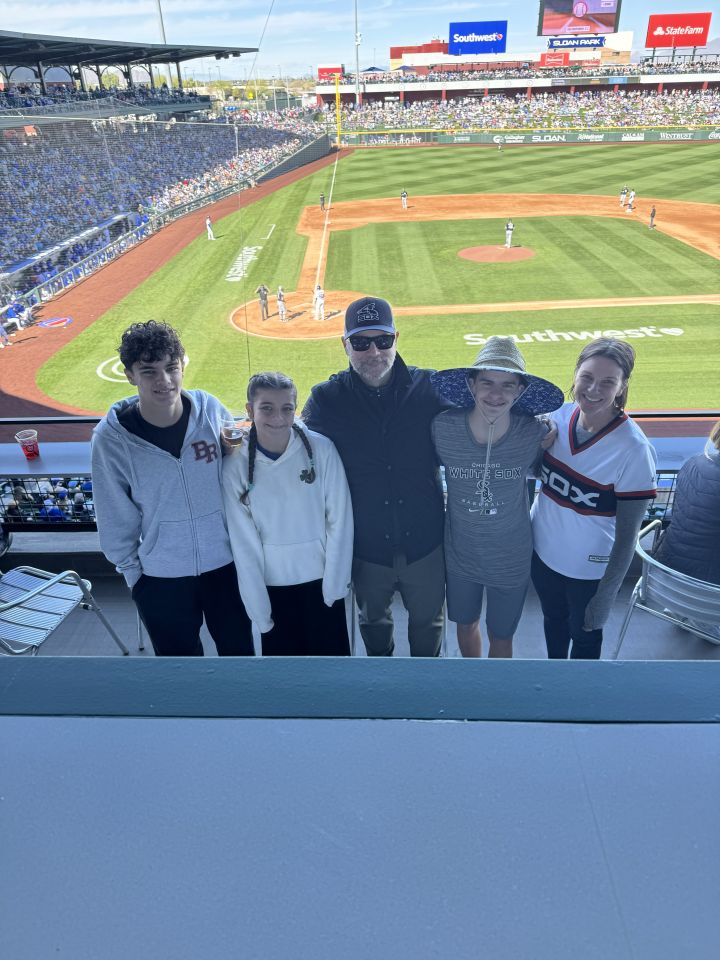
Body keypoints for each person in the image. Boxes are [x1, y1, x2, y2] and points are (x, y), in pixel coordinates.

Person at [91, 320, 254, 657]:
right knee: (181, 672)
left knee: (240, 660)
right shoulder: (111, 440)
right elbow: (113, 519)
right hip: (160, 578)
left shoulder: (210, 410)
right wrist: (138, 580)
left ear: (182, 366)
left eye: (171, 367)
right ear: (130, 376)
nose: (164, 380)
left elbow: (238, 471)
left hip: (226, 566)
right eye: (149, 371)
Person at [303, 296, 448, 657]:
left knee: (429, 628)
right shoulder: (326, 398)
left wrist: (535, 425)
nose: (373, 351)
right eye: (361, 342)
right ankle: (383, 694)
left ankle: (424, 697)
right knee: (373, 626)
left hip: (425, 543)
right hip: (366, 547)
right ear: (345, 345)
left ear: (396, 338)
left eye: (382, 340)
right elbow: (292, 446)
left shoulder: (430, 387)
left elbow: (485, 416)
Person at [431, 338, 563, 658]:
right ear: (471, 384)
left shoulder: (534, 432)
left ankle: (493, 696)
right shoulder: (441, 428)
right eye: (487, 382)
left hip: (511, 559)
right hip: (461, 555)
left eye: (507, 385)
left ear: (519, 391)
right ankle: (474, 683)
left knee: (502, 636)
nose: (495, 394)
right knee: (465, 625)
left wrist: (548, 427)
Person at [531, 339, 657, 660]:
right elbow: (533, 472)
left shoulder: (634, 450)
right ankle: (555, 683)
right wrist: (537, 446)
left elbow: (627, 539)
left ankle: (578, 704)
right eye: (586, 377)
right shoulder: (556, 417)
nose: (593, 389)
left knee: (585, 637)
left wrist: (604, 599)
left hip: (588, 574)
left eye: (607, 382)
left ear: (622, 386)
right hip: (542, 555)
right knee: (553, 623)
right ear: (575, 374)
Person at [222, 372, 353, 655]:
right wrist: (259, 610)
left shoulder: (322, 450)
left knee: (333, 681)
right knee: (286, 686)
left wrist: (334, 588)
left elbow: (340, 521)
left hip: (322, 588)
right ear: (249, 410)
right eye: (266, 408)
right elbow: (244, 543)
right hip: (272, 592)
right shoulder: (235, 466)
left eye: (287, 408)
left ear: (296, 408)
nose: (278, 418)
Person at [654, 420, 720, 639]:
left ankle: (681, 608)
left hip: (665, 575)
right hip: (704, 589)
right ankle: (704, 620)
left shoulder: (693, 463)